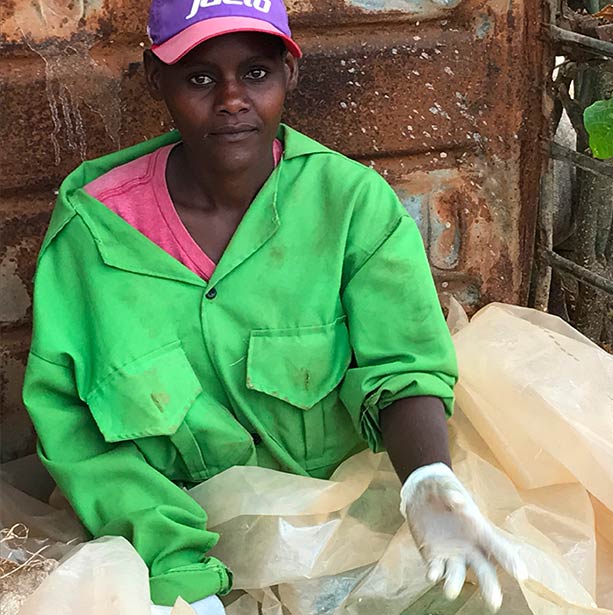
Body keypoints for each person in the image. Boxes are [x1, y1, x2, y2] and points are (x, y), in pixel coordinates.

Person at [22, 1, 525, 613]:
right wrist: (181, 582)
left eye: (255, 72)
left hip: (341, 529)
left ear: (291, 72)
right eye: (200, 77)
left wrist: (426, 479)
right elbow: (78, 435)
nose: (232, 98)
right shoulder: (93, 234)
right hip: (160, 547)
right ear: (156, 79)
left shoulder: (350, 205)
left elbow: (401, 366)